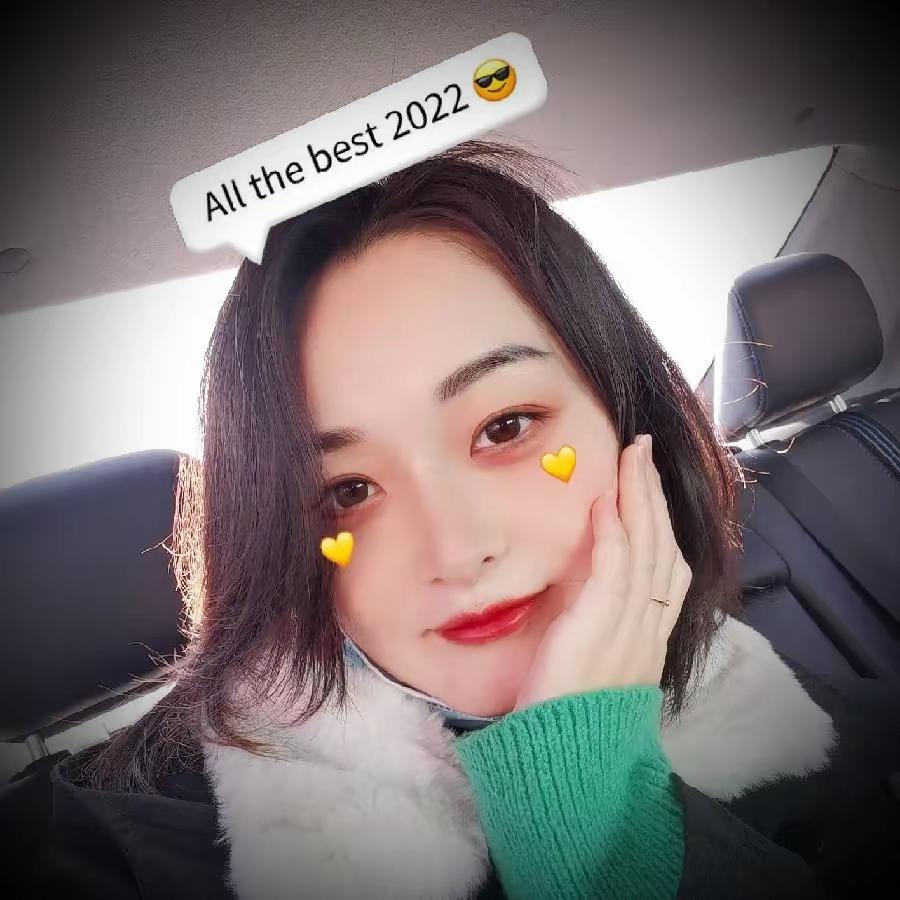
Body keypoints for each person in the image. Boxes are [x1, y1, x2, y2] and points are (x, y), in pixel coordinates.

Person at [32, 140, 900, 899]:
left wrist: (593, 804)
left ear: (630, 420)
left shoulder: (785, 707)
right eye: (347, 491)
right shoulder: (116, 848)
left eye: (507, 426)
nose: (457, 550)